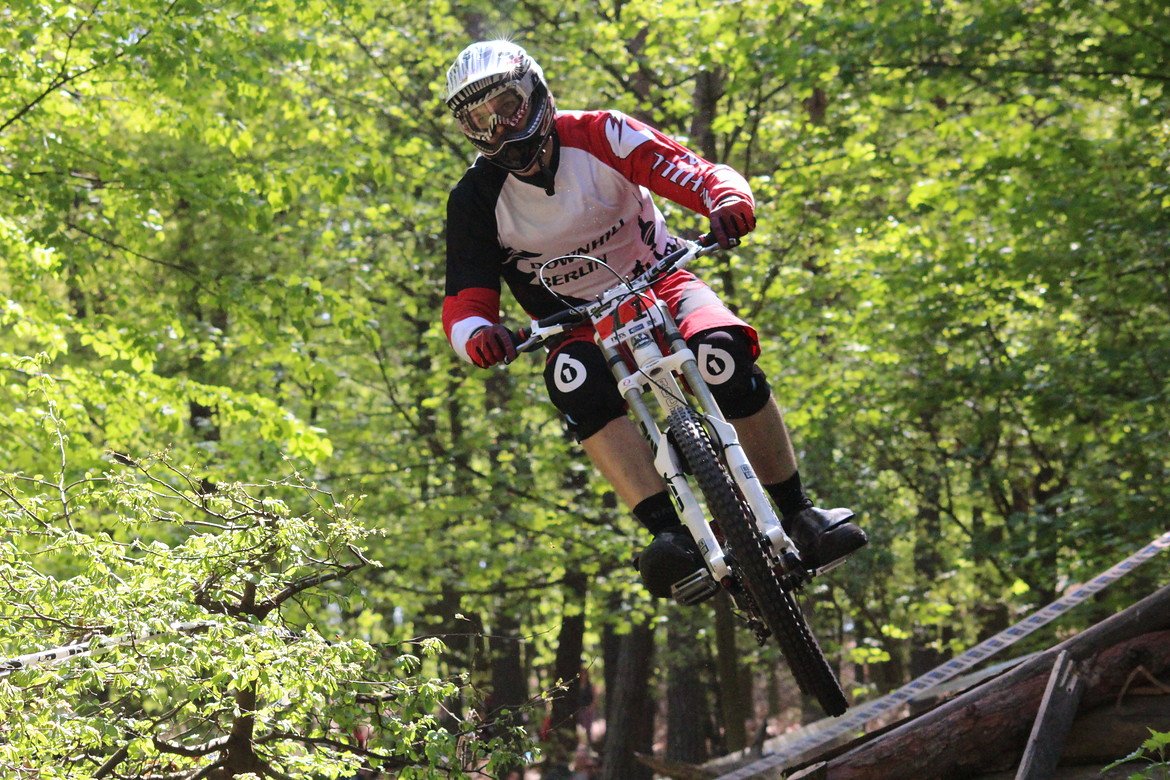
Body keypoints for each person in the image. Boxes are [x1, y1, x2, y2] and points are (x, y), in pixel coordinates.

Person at [441, 40, 866, 599]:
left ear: (537, 93)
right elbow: (464, 303)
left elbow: (699, 173)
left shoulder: (603, 133)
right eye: (480, 120)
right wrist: (479, 337)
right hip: (575, 323)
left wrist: (726, 202)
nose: (499, 128)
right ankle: (670, 537)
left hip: (661, 281)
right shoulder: (473, 199)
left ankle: (799, 513)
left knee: (722, 353)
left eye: (507, 107)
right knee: (574, 384)